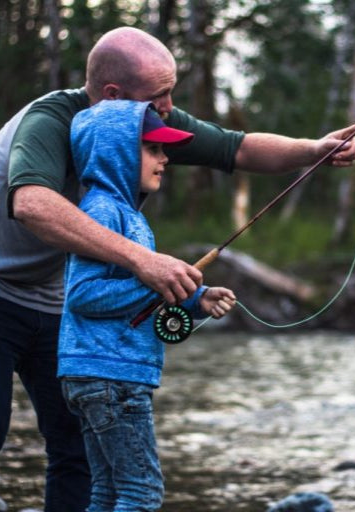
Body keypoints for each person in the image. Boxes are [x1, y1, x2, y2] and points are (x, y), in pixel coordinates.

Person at [0, 25, 355, 512]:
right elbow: (32, 204)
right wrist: (143, 261)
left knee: (73, 441)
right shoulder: (53, 120)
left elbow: (236, 148)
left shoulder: (144, 122)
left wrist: (313, 149)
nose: (169, 104)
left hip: (54, 290)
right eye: (160, 93)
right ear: (114, 94)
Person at [59, 100, 236, 511]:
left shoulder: (129, 215)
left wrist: (196, 298)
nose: (165, 159)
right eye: (153, 149)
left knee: (106, 492)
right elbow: (82, 295)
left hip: (98, 373)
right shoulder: (104, 211)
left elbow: (141, 287)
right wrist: (156, 286)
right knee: (142, 492)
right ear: (118, 152)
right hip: (111, 375)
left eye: (164, 150)